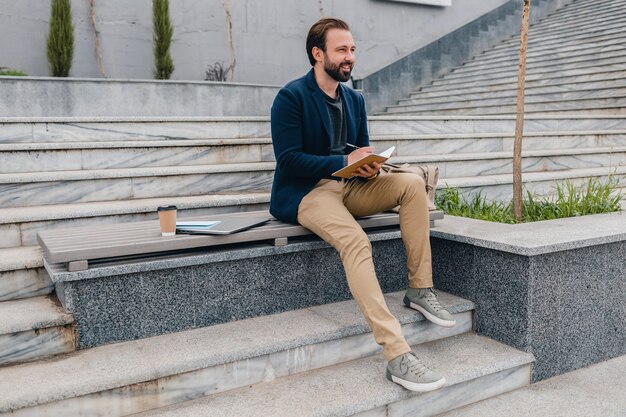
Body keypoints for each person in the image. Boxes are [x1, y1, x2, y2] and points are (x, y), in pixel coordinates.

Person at [269, 17, 455, 393]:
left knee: (411, 184)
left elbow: (358, 149)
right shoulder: (290, 98)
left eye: (352, 49)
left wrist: (369, 165)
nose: (350, 57)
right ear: (317, 53)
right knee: (356, 243)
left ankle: (420, 288)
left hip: (350, 186)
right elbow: (289, 160)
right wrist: (342, 164)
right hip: (309, 193)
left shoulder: (354, 99)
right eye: (341, 50)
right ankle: (397, 354)